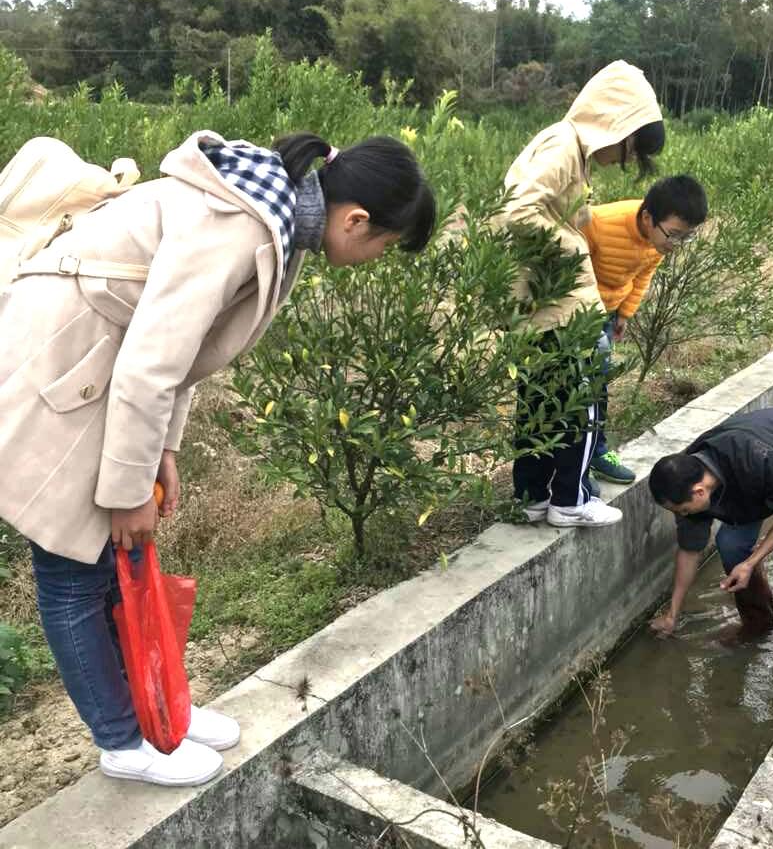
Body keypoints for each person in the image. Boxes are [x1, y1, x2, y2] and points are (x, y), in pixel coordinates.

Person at [0, 129, 435, 786]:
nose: (374, 259)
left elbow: (185, 350)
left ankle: (157, 715)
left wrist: (163, 450)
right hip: (57, 362)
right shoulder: (242, 224)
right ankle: (122, 741)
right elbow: (152, 360)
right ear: (356, 219)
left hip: (95, 366)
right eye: (383, 246)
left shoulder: (272, 215)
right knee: (71, 571)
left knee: (114, 565)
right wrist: (125, 491)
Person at [499, 60, 665, 528]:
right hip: (560, 304)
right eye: (632, 149)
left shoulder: (567, 147)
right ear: (618, 124)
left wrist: (581, 218)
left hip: (541, 302)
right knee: (580, 397)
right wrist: (572, 242)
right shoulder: (563, 145)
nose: (626, 161)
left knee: (538, 400)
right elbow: (519, 209)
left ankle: (531, 498)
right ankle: (571, 499)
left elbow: (544, 207)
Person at [647, 408, 773, 636]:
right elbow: (689, 550)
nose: (683, 515)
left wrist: (750, 563)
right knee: (730, 545)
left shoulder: (763, 460)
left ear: (699, 492)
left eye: (683, 510)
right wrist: (672, 614)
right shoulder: (687, 477)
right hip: (759, 478)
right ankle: (758, 623)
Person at [582, 176, 708, 486]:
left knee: (598, 385)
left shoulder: (657, 242)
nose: (676, 245)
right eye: (675, 235)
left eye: (686, 237)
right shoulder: (599, 224)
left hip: (608, 313)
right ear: (648, 217)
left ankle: (597, 454)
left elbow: (642, 275)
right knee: (582, 389)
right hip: (580, 313)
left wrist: (624, 314)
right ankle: (577, 468)